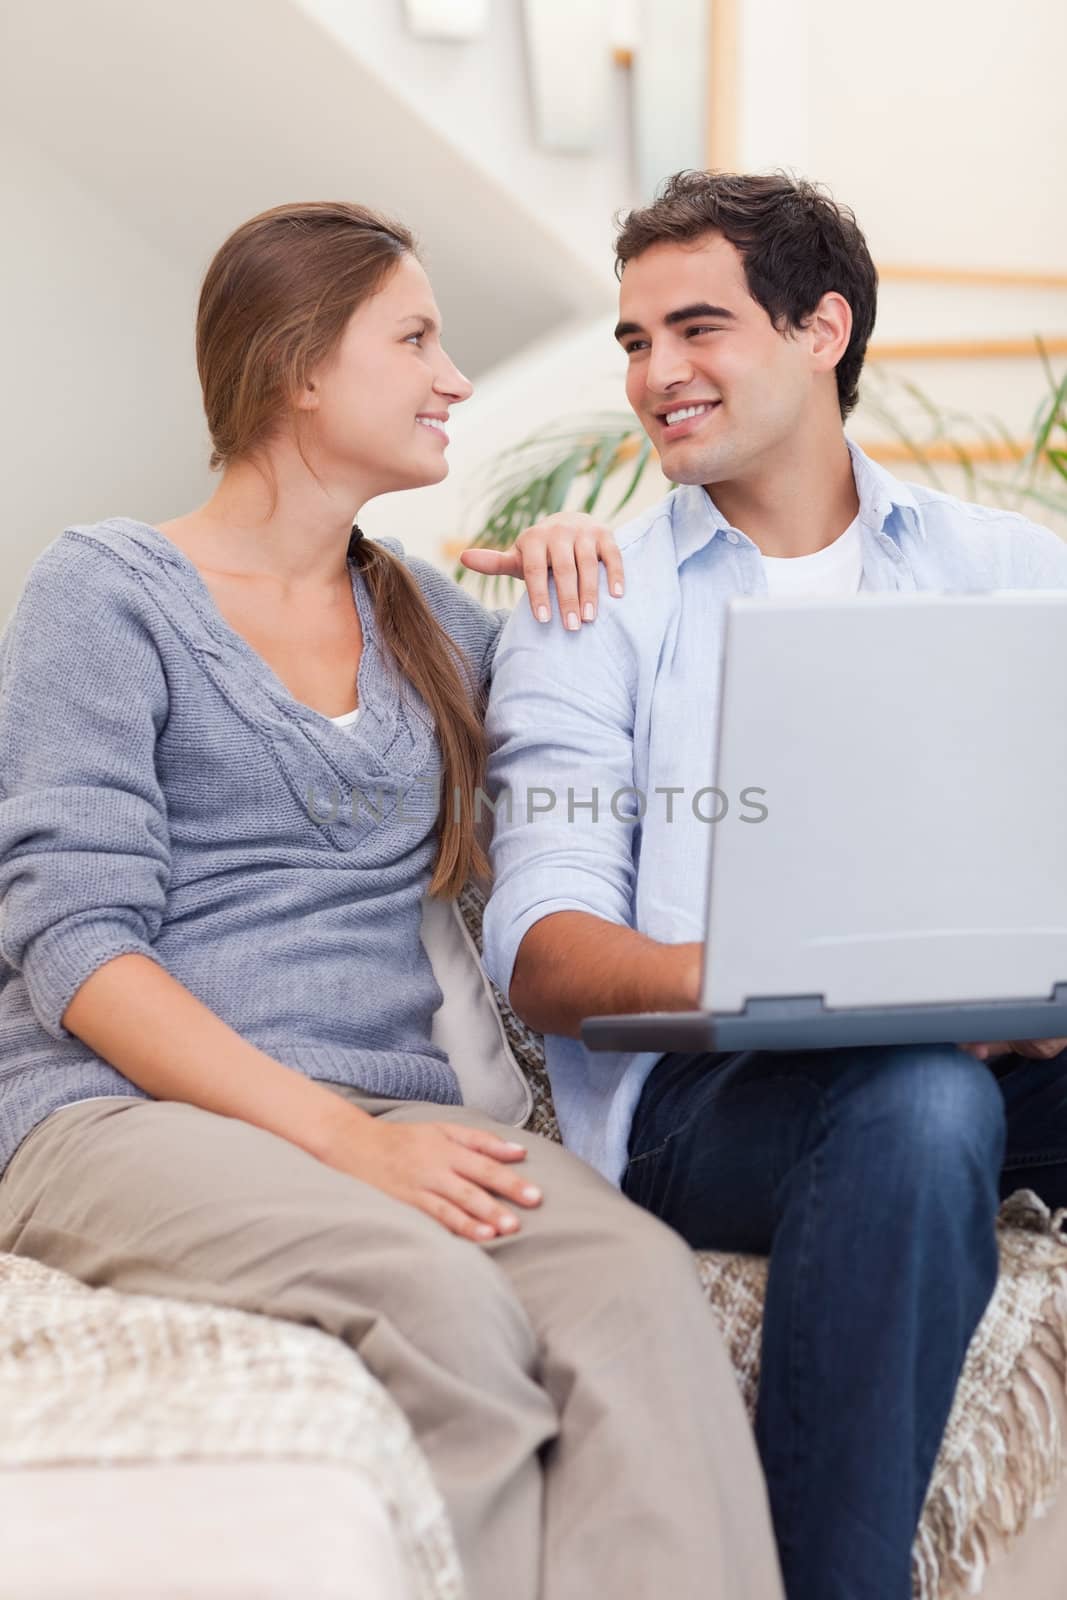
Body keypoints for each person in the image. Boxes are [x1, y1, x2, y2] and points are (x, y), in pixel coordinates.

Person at [0, 200, 784, 1600]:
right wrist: (345, 1148)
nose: (456, 378)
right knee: (437, 1304)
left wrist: (567, 597)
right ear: (299, 365)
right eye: (415, 338)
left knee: (640, 1299)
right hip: (117, 1113)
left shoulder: (434, 625)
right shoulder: (105, 592)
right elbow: (77, 952)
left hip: (399, 1113)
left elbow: (640, 755)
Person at [480, 169, 1067, 1600]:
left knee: (944, 1072)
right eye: (632, 342)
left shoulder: (1010, 572)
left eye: (697, 328)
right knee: (923, 1099)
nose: (656, 375)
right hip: (711, 1105)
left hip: (996, 1054)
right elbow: (546, 955)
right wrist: (816, 977)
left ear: (822, 330)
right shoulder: (595, 598)